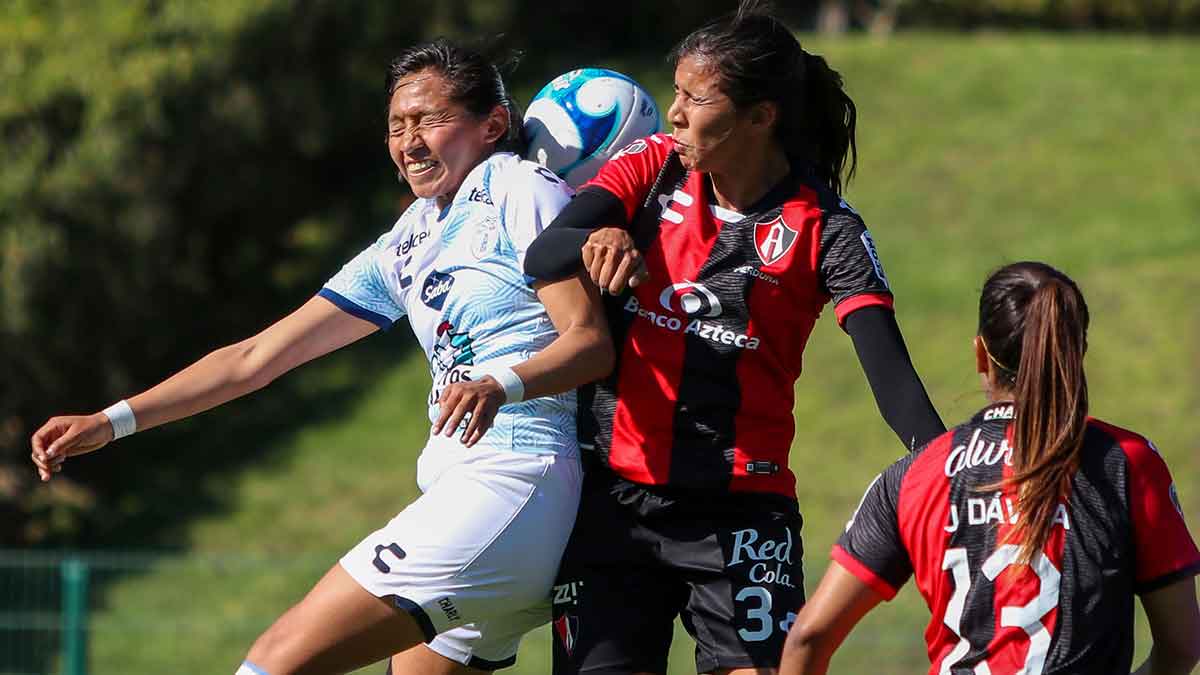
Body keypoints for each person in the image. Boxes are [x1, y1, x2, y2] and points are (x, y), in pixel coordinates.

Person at [29, 39, 614, 675]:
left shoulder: (516, 185)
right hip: (472, 498)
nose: (409, 141)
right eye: (397, 125)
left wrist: (500, 383)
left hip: (509, 484)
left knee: (275, 662)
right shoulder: (409, 240)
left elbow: (589, 343)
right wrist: (111, 421)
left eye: (429, 120)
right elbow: (256, 357)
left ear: (493, 124)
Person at [523, 3, 945, 673]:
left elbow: (893, 381)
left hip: (741, 515)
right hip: (614, 506)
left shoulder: (826, 228)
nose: (675, 112)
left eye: (695, 97)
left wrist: (955, 468)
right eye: (677, 92)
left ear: (760, 115)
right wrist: (599, 235)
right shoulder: (652, 168)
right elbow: (546, 253)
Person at [780, 261, 1200, 675]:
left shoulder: (917, 474)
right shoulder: (1127, 462)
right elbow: (1181, 645)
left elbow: (809, 638)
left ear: (981, 354)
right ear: (1078, 352)